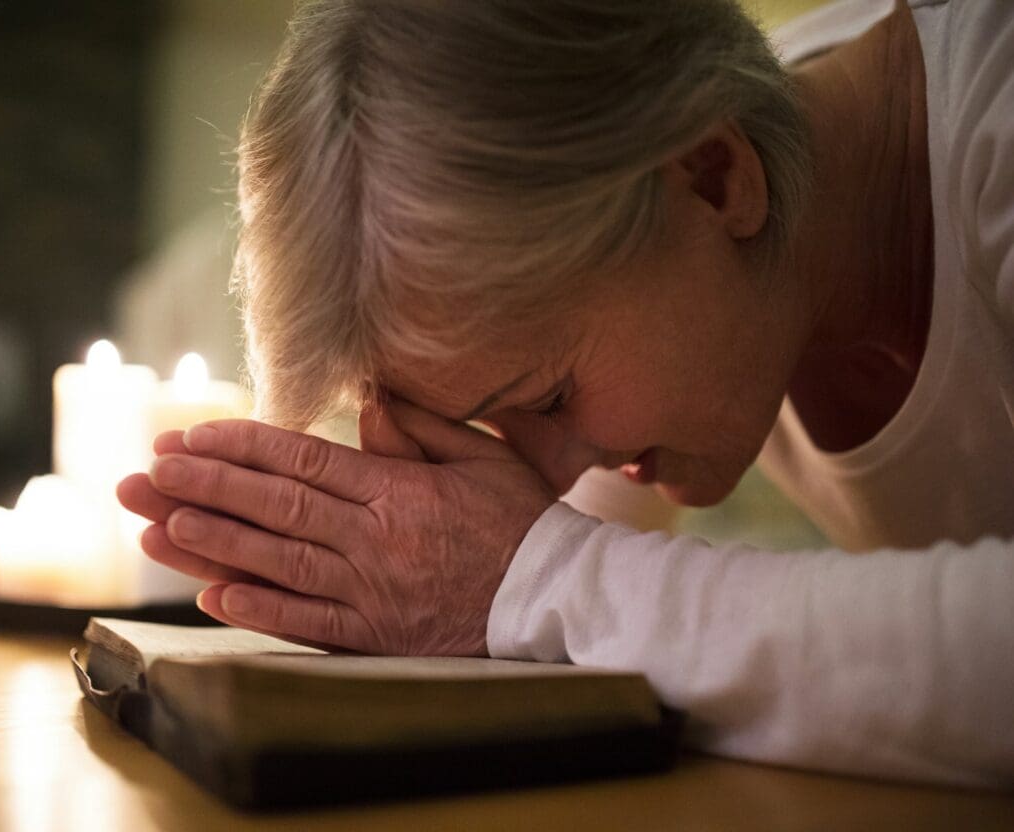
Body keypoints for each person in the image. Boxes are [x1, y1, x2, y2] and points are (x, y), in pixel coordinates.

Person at [118, 0, 1014, 788]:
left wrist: (547, 579)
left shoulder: (995, 107)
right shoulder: (715, 282)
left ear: (713, 176)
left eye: (546, 397)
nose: (543, 477)